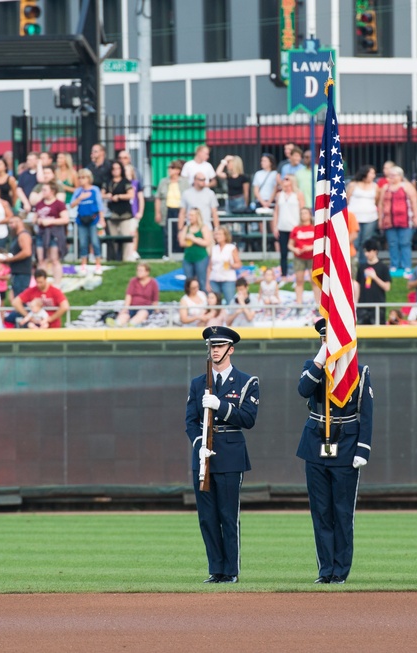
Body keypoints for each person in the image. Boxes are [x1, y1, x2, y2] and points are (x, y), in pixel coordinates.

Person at [297, 318, 373, 584]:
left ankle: (340, 570)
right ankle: (325, 569)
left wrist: (363, 449)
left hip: (346, 445)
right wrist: (320, 359)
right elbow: (303, 390)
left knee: (342, 512)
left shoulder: (359, 372)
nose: (328, 343)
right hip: (315, 444)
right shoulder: (313, 367)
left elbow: (367, 413)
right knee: (321, 511)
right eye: (324, 339)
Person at [185, 326, 260, 583]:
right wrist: (199, 444)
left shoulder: (247, 382)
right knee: (207, 517)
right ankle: (215, 569)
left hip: (230, 454)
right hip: (203, 457)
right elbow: (190, 421)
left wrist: (222, 406)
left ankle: (231, 571)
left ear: (231, 349)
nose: (214, 350)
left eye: (219, 346)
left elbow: (249, 419)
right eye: (212, 346)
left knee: (228, 515)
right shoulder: (198, 384)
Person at [378, 165, 417, 278]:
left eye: (394, 175)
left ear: (400, 176)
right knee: (392, 243)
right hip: (389, 220)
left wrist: (415, 216)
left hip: (405, 220)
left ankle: (406, 265)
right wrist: (381, 219)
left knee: (405, 243)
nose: (391, 177)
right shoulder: (385, 187)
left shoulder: (406, 186)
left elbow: (414, 201)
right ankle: (394, 264)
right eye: (390, 175)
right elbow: (381, 204)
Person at [68, 169, 103, 275]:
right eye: (79, 178)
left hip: (93, 219)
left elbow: (99, 205)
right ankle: (84, 263)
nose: (81, 180)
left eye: (83, 178)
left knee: (95, 241)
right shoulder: (78, 191)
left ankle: (98, 263)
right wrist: (80, 198)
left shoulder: (95, 190)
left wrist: (102, 219)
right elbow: (72, 204)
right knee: (83, 242)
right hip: (81, 219)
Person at [347, 165, 380, 268]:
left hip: (370, 218)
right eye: (372, 173)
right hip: (354, 217)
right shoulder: (353, 184)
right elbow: (346, 199)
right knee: (354, 241)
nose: (374, 175)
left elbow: (377, 200)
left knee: (365, 241)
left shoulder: (375, 186)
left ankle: (362, 263)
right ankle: (352, 261)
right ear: (365, 173)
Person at [102, 160, 136, 262]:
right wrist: (107, 196)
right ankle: (115, 257)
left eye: (118, 169)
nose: (116, 171)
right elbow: (101, 194)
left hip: (124, 212)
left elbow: (131, 195)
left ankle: (125, 258)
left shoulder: (126, 182)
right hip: (112, 213)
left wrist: (119, 196)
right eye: (114, 169)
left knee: (125, 237)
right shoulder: (108, 182)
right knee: (113, 238)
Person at [271, 175, 303, 275]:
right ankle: (284, 274)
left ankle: (298, 273)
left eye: (287, 179)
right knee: (283, 253)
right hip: (282, 226)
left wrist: (302, 226)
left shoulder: (298, 194)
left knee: (297, 252)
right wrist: (275, 226)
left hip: (295, 227)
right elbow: (276, 212)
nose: (284, 181)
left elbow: (302, 210)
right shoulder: (279, 195)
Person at [354, 239, 391, 325]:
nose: (367, 254)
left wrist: (375, 277)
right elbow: (358, 285)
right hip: (363, 305)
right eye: (365, 252)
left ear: (375, 251)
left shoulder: (383, 267)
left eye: (369, 251)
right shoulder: (362, 267)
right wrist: (356, 302)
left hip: (378, 304)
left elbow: (387, 287)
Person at [155, 159, 189, 253]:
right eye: (169, 168)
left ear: (178, 170)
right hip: (167, 210)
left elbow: (188, 198)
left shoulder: (185, 182)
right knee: (167, 233)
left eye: (173, 168)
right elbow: (158, 198)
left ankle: (180, 253)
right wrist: (157, 213)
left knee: (180, 231)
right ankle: (168, 253)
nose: (170, 170)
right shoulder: (163, 182)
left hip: (180, 211)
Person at [112, 262, 159, 328]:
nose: (138, 272)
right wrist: (125, 308)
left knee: (142, 313)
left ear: (147, 272)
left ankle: (131, 324)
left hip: (145, 307)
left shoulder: (153, 283)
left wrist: (157, 310)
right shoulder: (133, 281)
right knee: (124, 315)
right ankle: (117, 324)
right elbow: (129, 295)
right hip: (133, 306)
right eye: (138, 270)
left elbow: (155, 299)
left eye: (141, 270)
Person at [0, 214, 34, 299]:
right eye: (9, 223)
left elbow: (27, 252)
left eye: (12, 222)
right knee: (16, 296)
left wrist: (11, 259)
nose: (10, 225)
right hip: (16, 271)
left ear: (20, 222)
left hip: (22, 272)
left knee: (21, 298)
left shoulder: (23, 235)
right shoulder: (16, 237)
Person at [288, 207, 316, 305]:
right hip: (299, 258)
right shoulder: (296, 229)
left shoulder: (314, 228)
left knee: (315, 280)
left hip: (312, 257)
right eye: (302, 213)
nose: (303, 215)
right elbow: (290, 244)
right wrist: (295, 249)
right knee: (299, 280)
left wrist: (310, 247)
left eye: (305, 213)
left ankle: (318, 303)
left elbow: (320, 243)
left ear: (309, 215)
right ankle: (299, 303)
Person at [180, 208, 213, 291]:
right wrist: (189, 241)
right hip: (188, 257)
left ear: (197, 216)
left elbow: (207, 242)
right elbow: (182, 242)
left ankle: (204, 298)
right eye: (189, 215)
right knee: (189, 281)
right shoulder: (186, 228)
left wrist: (193, 239)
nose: (189, 217)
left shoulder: (203, 228)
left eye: (192, 215)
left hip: (201, 257)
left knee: (202, 281)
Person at [208, 226, 242, 302]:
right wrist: (207, 282)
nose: (217, 236)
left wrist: (231, 265)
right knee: (215, 302)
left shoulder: (231, 248)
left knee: (229, 301)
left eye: (220, 234)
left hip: (228, 279)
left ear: (225, 235)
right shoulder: (213, 248)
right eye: (216, 234)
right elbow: (210, 266)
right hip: (214, 278)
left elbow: (239, 264)